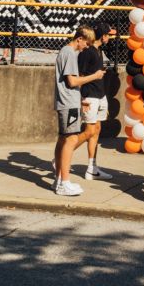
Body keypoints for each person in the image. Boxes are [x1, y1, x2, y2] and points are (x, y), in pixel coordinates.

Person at [52, 27, 104, 196]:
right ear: (79, 39)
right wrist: (94, 76)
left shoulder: (66, 52)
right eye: (86, 43)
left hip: (67, 102)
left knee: (63, 140)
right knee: (71, 140)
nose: (86, 47)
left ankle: (60, 179)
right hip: (69, 103)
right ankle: (64, 182)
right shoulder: (69, 53)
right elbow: (73, 81)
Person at [78, 25, 112, 181]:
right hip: (89, 96)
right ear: (103, 36)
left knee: (96, 130)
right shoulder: (87, 52)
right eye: (108, 35)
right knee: (89, 131)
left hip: (100, 94)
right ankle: (62, 155)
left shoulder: (99, 51)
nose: (109, 38)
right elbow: (79, 75)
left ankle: (92, 168)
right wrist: (80, 98)